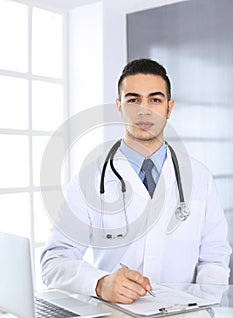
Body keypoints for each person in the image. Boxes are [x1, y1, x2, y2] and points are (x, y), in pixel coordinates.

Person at [41, 58, 232, 304]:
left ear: (169, 108)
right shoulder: (88, 180)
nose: (144, 110)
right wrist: (99, 283)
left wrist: (203, 307)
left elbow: (214, 258)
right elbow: (54, 261)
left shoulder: (200, 178)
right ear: (119, 106)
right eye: (133, 100)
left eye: (155, 100)